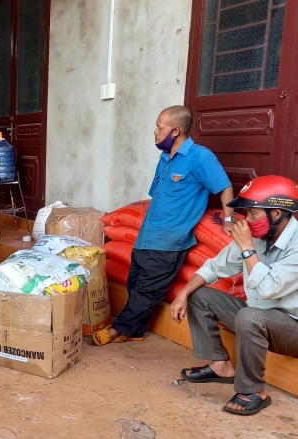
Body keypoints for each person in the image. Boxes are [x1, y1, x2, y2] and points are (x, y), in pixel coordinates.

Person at [171, 176, 298, 416]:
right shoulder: (256, 235)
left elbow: (268, 289)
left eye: (253, 213)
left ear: (276, 213)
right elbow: (215, 266)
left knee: (249, 316)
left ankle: (253, 391)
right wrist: (183, 293)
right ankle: (220, 365)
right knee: (198, 294)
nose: (246, 220)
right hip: (258, 317)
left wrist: (246, 248)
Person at [93, 105, 235, 346]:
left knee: (148, 289)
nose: (155, 132)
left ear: (175, 131)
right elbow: (157, 194)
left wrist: (229, 219)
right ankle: (135, 330)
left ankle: (120, 329)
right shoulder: (164, 157)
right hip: (148, 234)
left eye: (160, 127)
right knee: (135, 283)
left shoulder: (199, 156)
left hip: (170, 240)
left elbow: (224, 186)